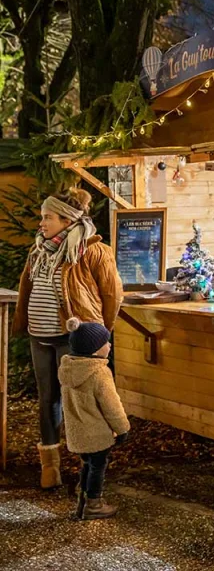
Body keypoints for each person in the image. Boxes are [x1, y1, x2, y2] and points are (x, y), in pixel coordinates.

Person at [13, 188, 123, 489]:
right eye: (41, 217)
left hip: (73, 338)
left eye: (47, 217)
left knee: (80, 400)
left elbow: (112, 295)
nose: (41, 224)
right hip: (40, 336)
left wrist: (98, 335)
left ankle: (89, 468)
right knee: (48, 399)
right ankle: (50, 467)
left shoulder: (93, 251)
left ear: (67, 219)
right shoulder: (38, 250)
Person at [58, 317, 130, 520]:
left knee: (87, 465)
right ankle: (94, 504)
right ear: (94, 350)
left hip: (78, 434)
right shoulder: (98, 373)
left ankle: (82, 501)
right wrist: (123, 428)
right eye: (105, 342)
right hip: (97, 434)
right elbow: (111, 405)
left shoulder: (68, 368)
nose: (109, 345)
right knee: (98, 467)